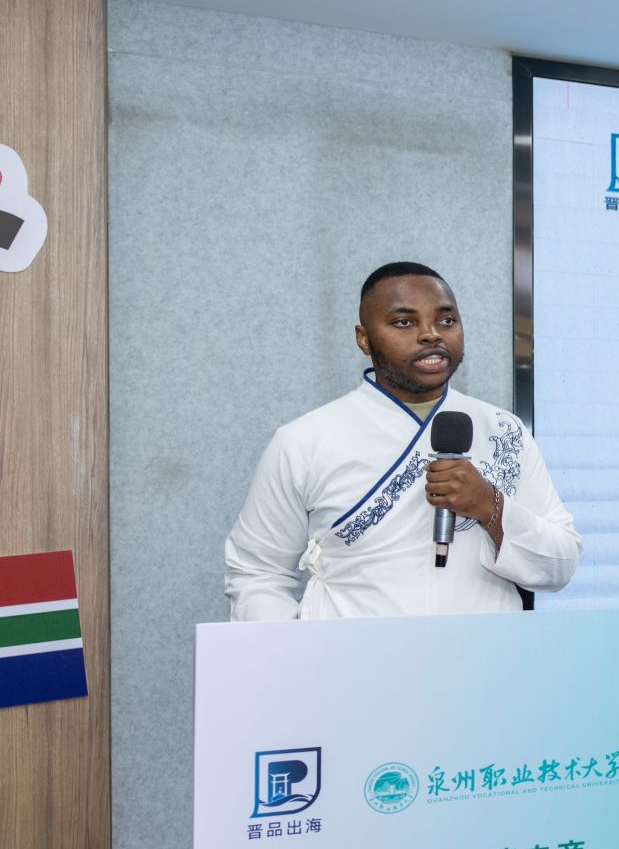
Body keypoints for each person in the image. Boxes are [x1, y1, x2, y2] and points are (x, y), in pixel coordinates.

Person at [225, 262, 580, 619]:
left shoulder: (504, 431)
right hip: (353, 653)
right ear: (364, 338)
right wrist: (296, 651)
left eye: (446, 320)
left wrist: (490, 506)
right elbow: (258, 573)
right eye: (404, 322)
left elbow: (559, 564)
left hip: (485, 651)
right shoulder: (304, 441)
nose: (431, 334)